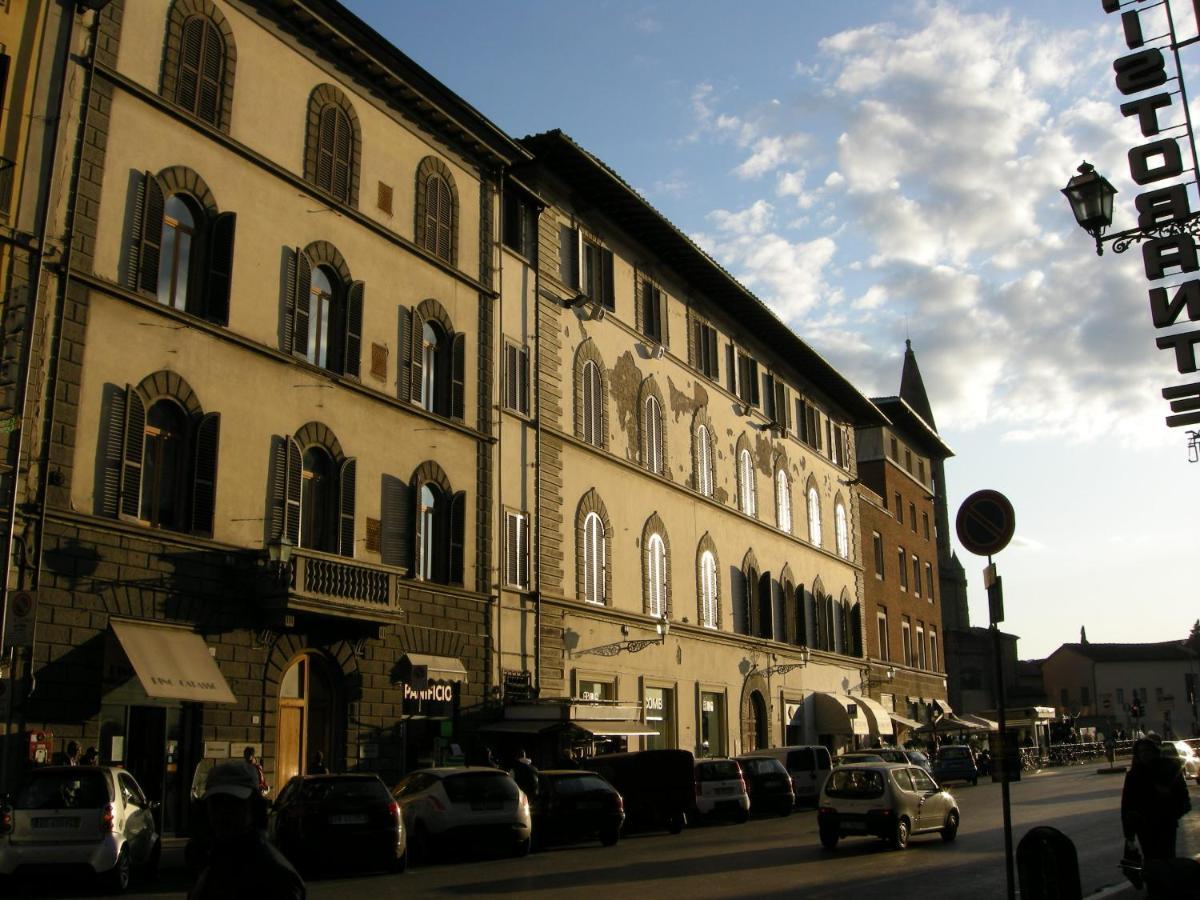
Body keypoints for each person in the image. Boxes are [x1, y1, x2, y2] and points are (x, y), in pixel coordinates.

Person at [188, 760, 304, 900]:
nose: (223, 814)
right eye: (216, 803)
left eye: (234, 804)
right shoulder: (213, 859)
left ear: (253, 807)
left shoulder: (274, 874)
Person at [1121, 737, 1191, 872]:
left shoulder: (1168, 769)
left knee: (1167, 858)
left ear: (1155, 751)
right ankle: (1155, 888)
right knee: (1151, 860)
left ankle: (1168, 887)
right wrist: (1129, 834)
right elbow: (1127, 805)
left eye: (1147, 750)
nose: (1144, 754)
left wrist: (1172, 810)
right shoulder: (1134, 775)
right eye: (1141, 752)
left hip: (1165, 823)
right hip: (1144, 826)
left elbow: (1183, 797)